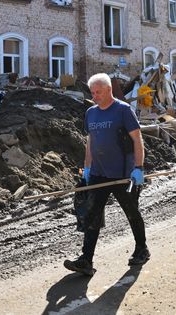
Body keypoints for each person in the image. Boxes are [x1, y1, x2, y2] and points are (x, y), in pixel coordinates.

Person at [64, 73, 149, 276]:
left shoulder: (123, 110)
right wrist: (87, 169)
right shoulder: (91, 113)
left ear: (109, 90)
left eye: (98, 92)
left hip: (123, 175)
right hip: (99, 173)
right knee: (92, 215)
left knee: (132, 212)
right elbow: (90, 142)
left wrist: (138, 168)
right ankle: (86, 260)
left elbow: (137, 139)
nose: (94, 96)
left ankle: (141, 249)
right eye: (92, 93)